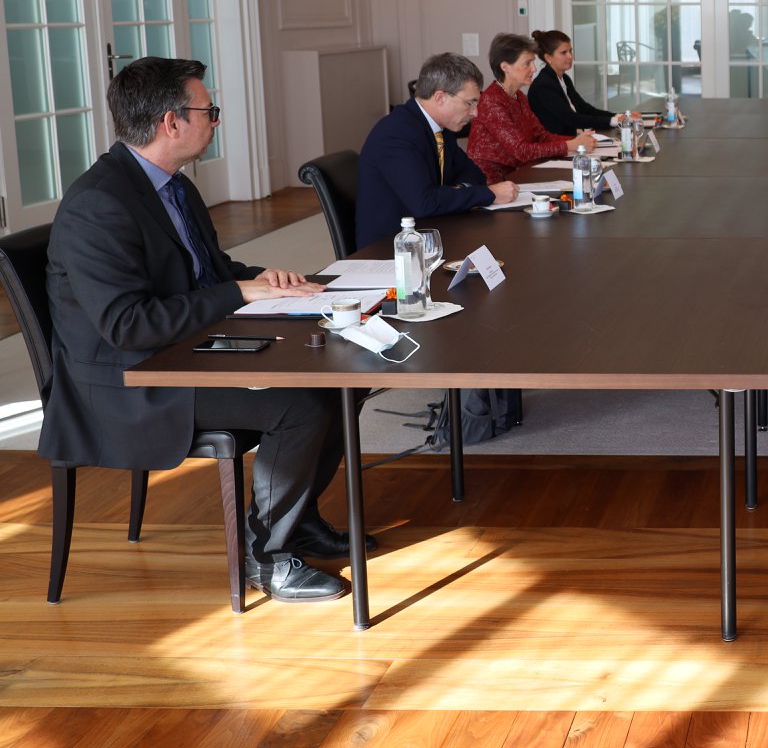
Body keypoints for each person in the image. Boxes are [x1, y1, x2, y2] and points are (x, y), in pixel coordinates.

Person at [38, 57, 358, 602]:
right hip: (126, 383)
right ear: (171, 122)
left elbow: (208, 271)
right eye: (209, 111)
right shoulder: (98, 204)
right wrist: (239, 293)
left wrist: (266, 280)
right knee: (299, 403)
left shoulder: (172, 186)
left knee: (336, 373)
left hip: (179, 353)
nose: (216, 120)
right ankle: (268, 559)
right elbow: (127, 325)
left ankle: (297, 521)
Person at [357, 52, 518, 250]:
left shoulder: (439, 128)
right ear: (440, 97)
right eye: (470, 103)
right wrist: (489, 194)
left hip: (433, 232)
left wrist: (454, 192)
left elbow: (474, 174)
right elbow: (425, 202)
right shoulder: (396, 133)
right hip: (392, 249)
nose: (475, 112)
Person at [468, 32, 595, 184]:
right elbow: (521, 151)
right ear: (505, 67)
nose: (534, 69)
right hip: (491, 182)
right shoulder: (492, 101)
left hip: (517, 174)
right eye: (527, 63)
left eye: (533, 62)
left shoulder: (519, 96)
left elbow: (541, 136)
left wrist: (578, 140)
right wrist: (570, 145)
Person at [527, 29, 638, 137]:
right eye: (563, 53)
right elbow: (571, 118)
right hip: (558, 144)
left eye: (570, 51)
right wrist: (613, 120)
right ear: (548, 57)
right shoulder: (543, 86)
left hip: (572, 139)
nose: (570, 56)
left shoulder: (564, 78)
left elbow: (584, 109)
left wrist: (619, 116)